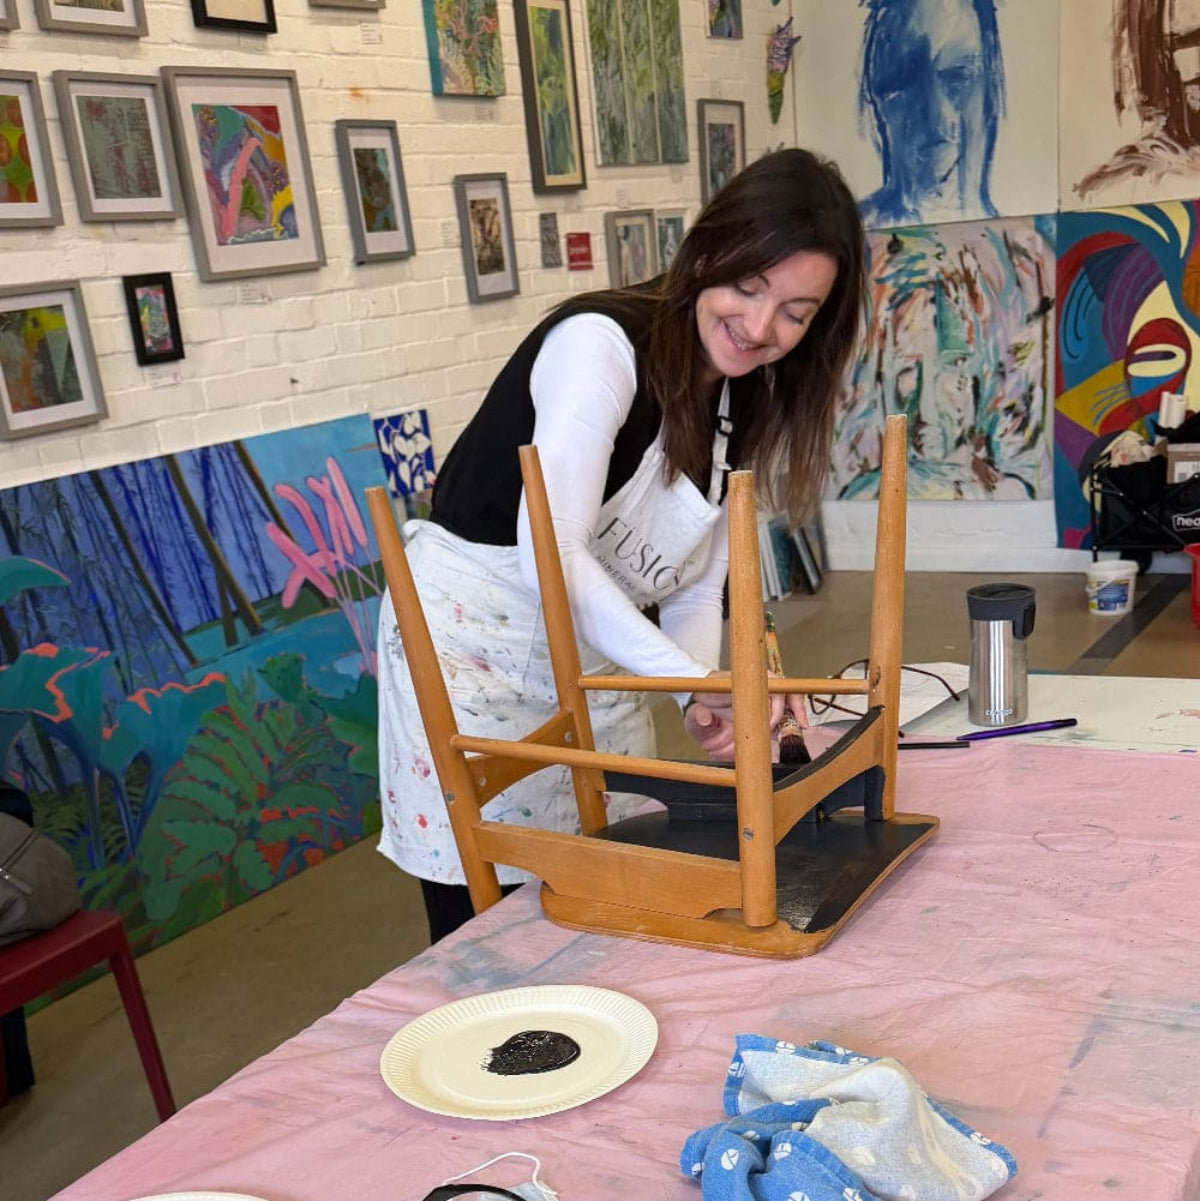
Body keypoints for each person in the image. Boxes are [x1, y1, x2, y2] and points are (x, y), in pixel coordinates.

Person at [377, 148, 867, 943]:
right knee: (487, 916)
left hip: (595, 647)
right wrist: (709, 681)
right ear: (710, 250)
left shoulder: (739, 397)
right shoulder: (600, 346)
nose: (760, 327)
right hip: (476, 649)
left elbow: (692, 586)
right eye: (748, 287)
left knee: (603, 885)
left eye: (795, 311)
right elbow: (554, 557)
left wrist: (693, 696)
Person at [858, 0, 1004, 228]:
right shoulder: (849, 243)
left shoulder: (1026, 251)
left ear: (992, 88)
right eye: (903, 82)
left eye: (958, 77)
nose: (938, 119)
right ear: (876, 101)